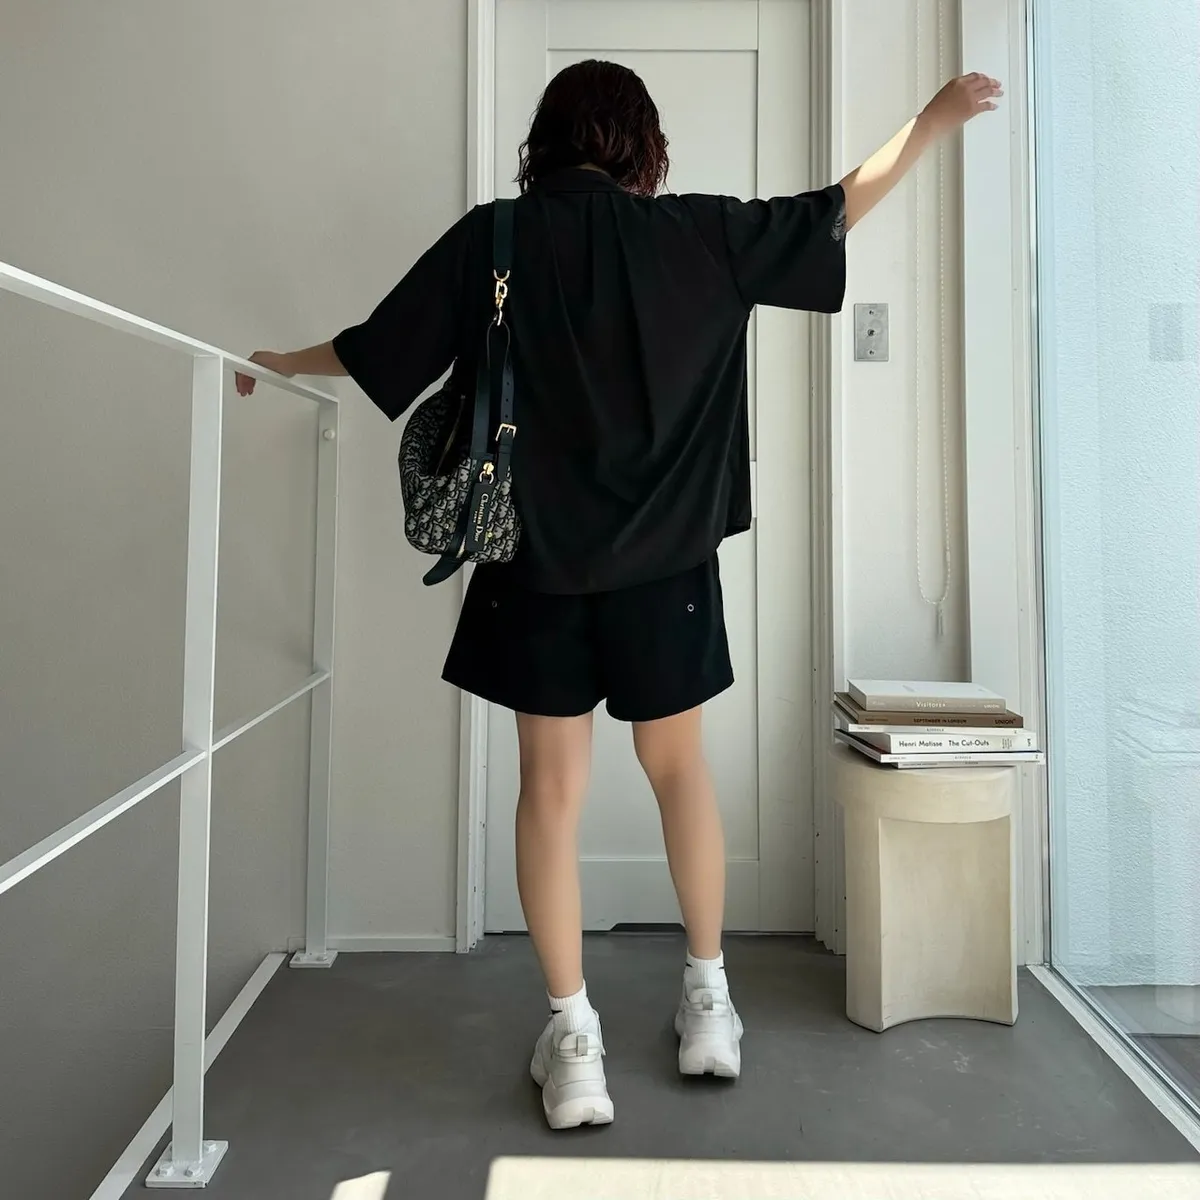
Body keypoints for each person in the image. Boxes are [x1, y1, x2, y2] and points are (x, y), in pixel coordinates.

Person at [236, 61, 1002, 1130]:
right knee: (679, 772)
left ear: (545, 142)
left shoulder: (496, 238)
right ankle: (708, 1005)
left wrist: (281, 359)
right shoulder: (698, 233)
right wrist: (934, 117)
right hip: (668, 571)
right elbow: (836, 207)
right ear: (644, 147)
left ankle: (575, 1043)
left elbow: (380, 349)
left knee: (550, 794)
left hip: (534, 569)